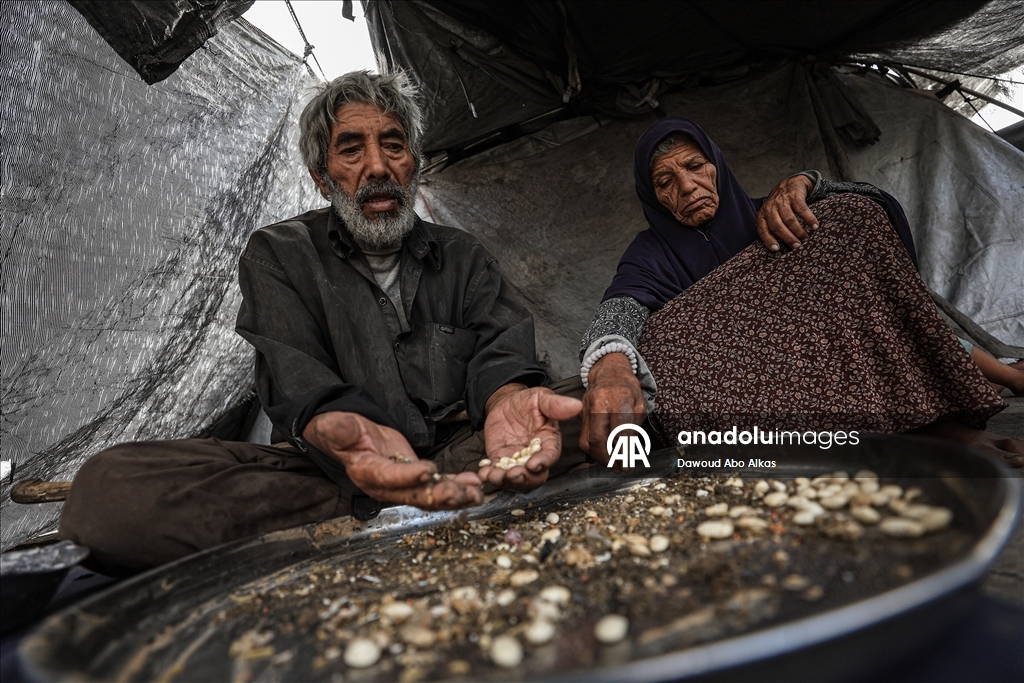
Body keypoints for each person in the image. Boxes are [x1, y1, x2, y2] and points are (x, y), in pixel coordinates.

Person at [58, 69, 585, 576]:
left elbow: (503, 348)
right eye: (352, 149)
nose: (376, 166)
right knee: (109, 493)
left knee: (607, 405)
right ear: (321, 178)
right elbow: (295, 374)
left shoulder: (463, 255)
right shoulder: (279, 253)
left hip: (465, 453)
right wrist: (342, 434)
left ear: (414, 166)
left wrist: (507, 397)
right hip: (331, 478)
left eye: (394, 146)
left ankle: (431, 500)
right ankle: (422, 504)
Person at [578, 116, 1024, 466]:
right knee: (652, 343)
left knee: (847, 225)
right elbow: (620, 308)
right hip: (749, 389)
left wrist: (809, 182)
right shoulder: (650, 254)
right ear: (653, 196)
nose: (687, 186)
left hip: (833, 353)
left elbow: (872, 221)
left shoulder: (775, 213)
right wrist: (611, 366)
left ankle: (949, 416)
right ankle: (905, 434)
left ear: (715, 164)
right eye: (665, 181)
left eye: (694, 166)